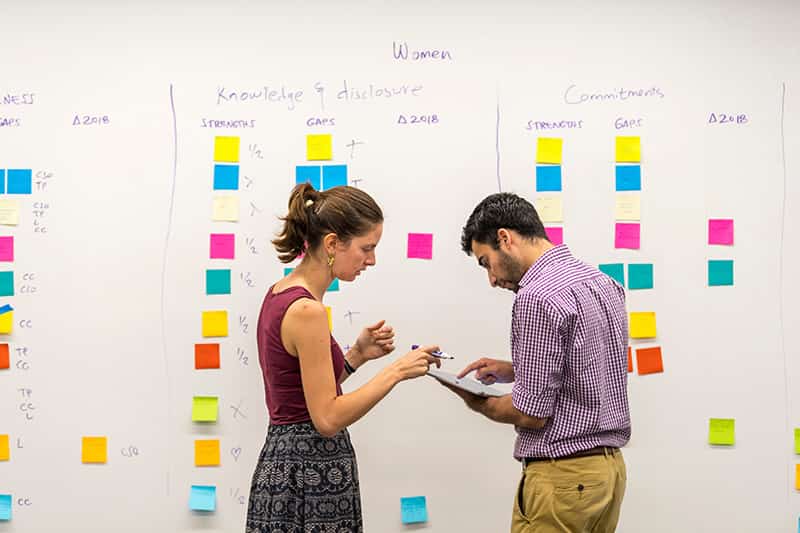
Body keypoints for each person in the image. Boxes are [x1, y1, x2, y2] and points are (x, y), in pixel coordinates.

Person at [246, 183, 440, 533]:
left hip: (286, 465)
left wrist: (356, 356)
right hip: (310, 472)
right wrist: (395, 372)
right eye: (367, 248)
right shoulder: (308, 311)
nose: (372, 259)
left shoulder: (280, 294)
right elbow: (326, 418)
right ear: (333, 243)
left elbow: (302, 393)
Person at [442, 192, 630, 533]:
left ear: (505, 238)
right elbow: (588, 362)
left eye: (486, 262)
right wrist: (516, 368)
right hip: (608, 474)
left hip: (562, 477)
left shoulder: (535, 296)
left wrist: (477, 402)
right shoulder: (602, 282)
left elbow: (531, 412)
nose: (492, 279)